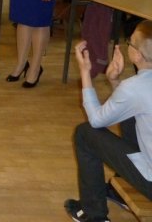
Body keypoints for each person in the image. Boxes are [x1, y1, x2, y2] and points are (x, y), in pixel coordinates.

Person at [64, 20, 152, 222]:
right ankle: (120, 189)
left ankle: (93, 214)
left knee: (85, 133)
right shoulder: (135, 88)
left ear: (137, 55)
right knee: (130, 117)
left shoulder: (134, 87)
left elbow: (96, 121)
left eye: (130, 42)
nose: (128, 44)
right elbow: (132, 105)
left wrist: (85, 72)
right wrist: (114, 81)